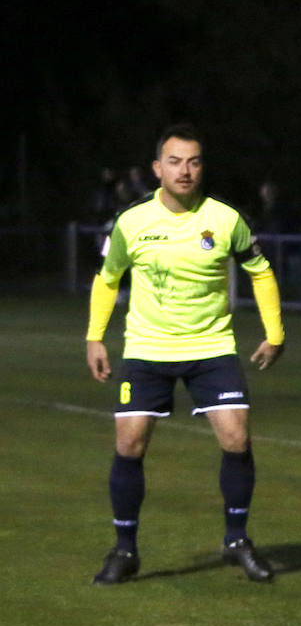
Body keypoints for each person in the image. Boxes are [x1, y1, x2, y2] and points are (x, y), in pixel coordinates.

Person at [84, 124, 286, 585]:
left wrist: (274, 332)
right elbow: (107, 277)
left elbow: (261, 271)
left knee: (236, 437)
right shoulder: (132, 221)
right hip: (147, 349)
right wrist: (95, 337)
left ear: (202, 167)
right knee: (129, 444)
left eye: (193, 161)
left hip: (211, 346)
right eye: (175, 161)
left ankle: (237, 540)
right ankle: (125, 549)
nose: (185, 170)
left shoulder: (225, 219)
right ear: (157, 168)